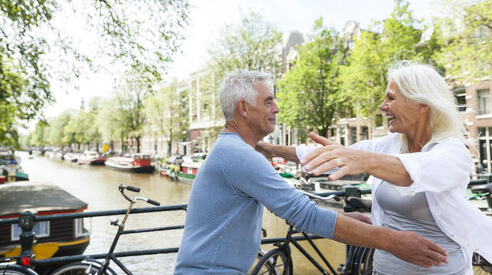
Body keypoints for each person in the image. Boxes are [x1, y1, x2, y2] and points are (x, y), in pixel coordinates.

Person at [173, 69, 449, 275]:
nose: (277, 108)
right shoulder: (239, 155)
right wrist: (393, 241)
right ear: (243, 108)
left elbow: (294, 202)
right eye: (268, 101)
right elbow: (305, 214)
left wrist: (341, 217)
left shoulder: (232, 149)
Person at [258, 61, 492, 275]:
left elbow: (414, 173)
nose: (383, 106)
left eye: (391, 98)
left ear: (421, 104)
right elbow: (324, 155)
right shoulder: (388, 145)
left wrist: (363, 160)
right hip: (382, 270)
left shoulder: (453, 151)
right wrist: (267, 149)